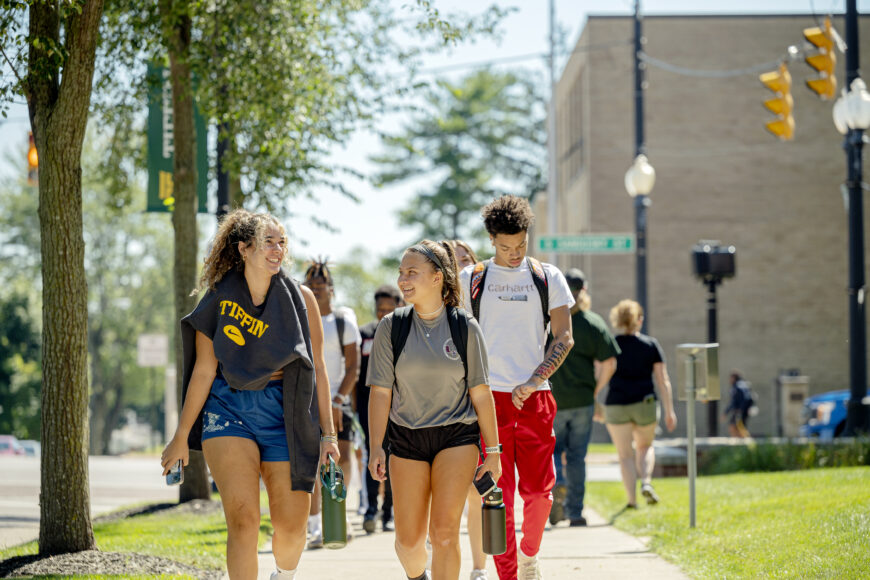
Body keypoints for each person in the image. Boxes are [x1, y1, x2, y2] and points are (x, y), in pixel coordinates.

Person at [161, 209, 339, 580]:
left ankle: (283, 574)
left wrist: (329, 435)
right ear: (244, 248)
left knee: (292, 529)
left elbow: (318, 369)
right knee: (243, 521)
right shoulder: (218, 298)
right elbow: (204, 370)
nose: (278, 249)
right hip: (228, 408)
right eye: (268, 241)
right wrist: (180, 437)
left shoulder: (301, 299)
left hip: (284, 411)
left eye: (282, 242)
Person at [367, 240, 501, 580]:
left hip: (456, 436)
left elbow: (482, 394)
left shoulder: (464, 327)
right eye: (401, 272)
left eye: (412, 272)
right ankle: (418, 576)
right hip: (406, 438)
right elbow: (380, 393)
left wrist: (494, 451)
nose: (403, 279)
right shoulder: (391, 327)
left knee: (444, 534)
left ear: (438, 277)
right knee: (409, 543)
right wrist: (375, 447)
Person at [459, 195, 575, 580]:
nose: (514, 254)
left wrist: (536, 378)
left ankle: (530, 554)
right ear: (492, 239)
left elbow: (564, 337)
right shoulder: (471, 279)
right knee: (498, 496)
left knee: (540, 493)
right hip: (486, 401)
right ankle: (508, 574)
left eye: (521, 245)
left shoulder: (547, 276)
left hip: (536, 397)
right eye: (506, 247)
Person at [549, 268, 619, 528]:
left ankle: (558, 486)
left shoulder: (548, 322)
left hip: (553, 400)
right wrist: (595, 390)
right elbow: (610, 362)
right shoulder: (593, 323)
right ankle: (575, 512)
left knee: (553, 452)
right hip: (582, 400)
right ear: (584, 291)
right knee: (577, 457)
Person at [302, 260, 361, 548]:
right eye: (311, 284)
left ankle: (340, 512)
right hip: (308, 401)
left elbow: (353, 367)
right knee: (313, 463)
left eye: (321, 284)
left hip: (339, 401)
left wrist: (338, 400)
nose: (316, 288)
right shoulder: (299, 320)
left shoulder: (343, 322)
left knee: (342, 458)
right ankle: (315, 524)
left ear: (331, 289)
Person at [601, 299, 676, 508]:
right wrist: (670, 411)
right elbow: (663, 380)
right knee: (645, 446)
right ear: (639, 320)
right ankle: (647, 482)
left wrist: (595, 400)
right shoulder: (651, 345)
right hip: (645, 404)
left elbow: (603, 373)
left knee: (625, 455)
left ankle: (632, 501)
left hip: (616, 405)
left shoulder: (611, 344)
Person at [451, 239, 488, 580]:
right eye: (453, 261)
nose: (460, 267)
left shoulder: (486, 307)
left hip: (480, 404)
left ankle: (479, 568)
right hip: (440, 410)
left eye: (466, 260)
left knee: (478, 490)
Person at [357, 284, 402, 533]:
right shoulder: (364, 334)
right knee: (372, 452)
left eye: (389, 308)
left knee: (393, 456)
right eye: (380, 308)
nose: (384, 312)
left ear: (398, 306)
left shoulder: (404, 332)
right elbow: (356, 375)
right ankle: (370, 510)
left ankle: (389, 513)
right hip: (367, 406)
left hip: (397, 407)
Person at [723, 371, 754, 438]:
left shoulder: (737, 387)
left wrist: (726, 412)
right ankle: (744, 441)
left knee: (733, 426)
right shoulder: (744, 384)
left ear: (734, 378)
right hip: (744, 410)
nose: (729, 380)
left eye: (730, 378)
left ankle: (742, 441)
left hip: (739, 411)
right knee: (740, 426)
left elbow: (733, 401)